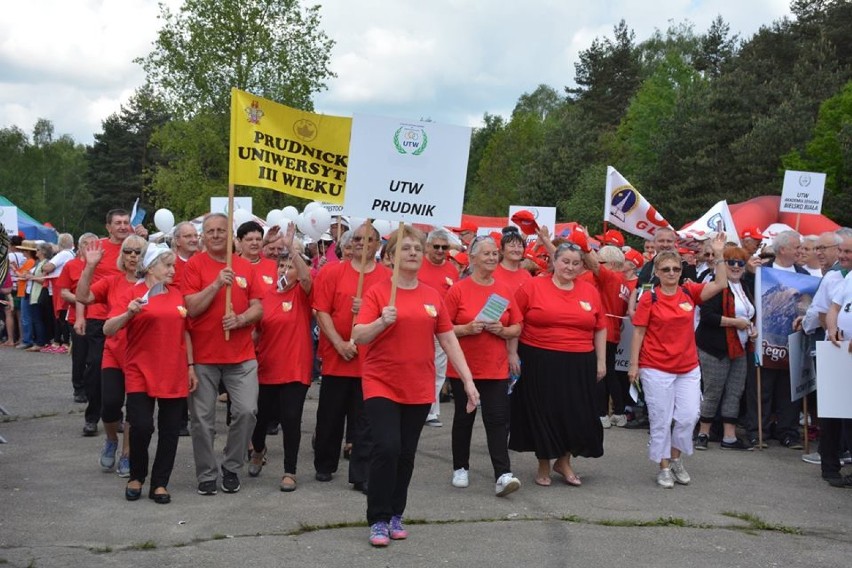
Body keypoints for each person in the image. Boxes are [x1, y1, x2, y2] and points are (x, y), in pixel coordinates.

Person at [352, 225, 480, 547]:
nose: (413, 253)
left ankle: (397, 513)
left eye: (417, 249)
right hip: (381, 382)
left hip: (419, 386)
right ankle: (378, 518)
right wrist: (382, 320)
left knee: (406, 454)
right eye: (405, 248)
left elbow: (448, 337)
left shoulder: (431, 295)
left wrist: (467, 379)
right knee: (387, 447)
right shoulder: (378, 293)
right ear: (390, 257)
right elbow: (358, 335)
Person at [627, 233, 728, 488]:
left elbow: (720, 284)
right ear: (657, 272)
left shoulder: (689, 291)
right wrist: (633, 365)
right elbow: (638, 331)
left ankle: (676, 459)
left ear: (682, 270)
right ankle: (663, 466)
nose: (671, 272)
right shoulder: (649, 298)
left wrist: (719, 254)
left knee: (688, 416)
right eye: (666, 269)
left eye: (675, 268)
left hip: (687, 367)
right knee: (661, 418)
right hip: (655, 366)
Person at [508, 242, 607, 487]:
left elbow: (600, 326)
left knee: (576, 414)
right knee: (543, 413)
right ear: (554, 261)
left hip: (580, 361)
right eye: (565, 261)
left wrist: (601, 361)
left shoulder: (589, 291)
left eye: (576, 263)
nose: (570, 267)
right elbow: (514, 320)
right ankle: (543, 463)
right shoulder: (532, 286)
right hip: (538, 359)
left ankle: (563, 461)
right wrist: (511, 354)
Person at [104, 245, 197, 503]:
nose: (172, 270)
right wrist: (128, 313)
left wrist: (190, 366)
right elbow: (108, 328)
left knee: (169, 430)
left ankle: (160, 483)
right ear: (151, 266)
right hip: (140, 370)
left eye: (173, 266)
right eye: (167, 266)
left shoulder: (178, 295)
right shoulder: (133, 294)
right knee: (142, 426)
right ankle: (137, 475)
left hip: (173, 370)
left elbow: (185, 332)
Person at [183, 212, 263, 496]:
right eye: (210, 231)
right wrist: (217, 284)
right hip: (204, 356)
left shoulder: (246, 266)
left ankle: (231, 465)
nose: (215, 235)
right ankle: (206, 473)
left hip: (241, 356)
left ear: (230, 234)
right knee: (201, 420)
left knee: (246, 411)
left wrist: (241, 320)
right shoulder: (193, 266)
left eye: (221, 230)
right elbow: (190, 308)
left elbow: (258, 307)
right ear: (203, 236)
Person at [312, 221, 391, 489]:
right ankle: (324, 464)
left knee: (365, 422)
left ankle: (362, 473)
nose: (360, 243)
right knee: (330, 417)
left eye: (367, 239)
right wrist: (339, 344)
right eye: (356, 238)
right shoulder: (332, 273)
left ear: (377, 245)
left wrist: (370, 308)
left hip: (370, 363)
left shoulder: (386, 279)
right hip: (337, 358)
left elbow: (391, 317)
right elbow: (321, 311)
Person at [443, 236, 522, 496]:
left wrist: (503, 330)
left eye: (493, 254)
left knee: (498, 420)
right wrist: (465, 329)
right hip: (465, 366)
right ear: (472, 258)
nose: (491, 257)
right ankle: (460, 467)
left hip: (495, 366)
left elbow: (518, 326)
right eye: (485, 254)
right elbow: (442, 328)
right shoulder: (458, 289)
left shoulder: (504, 289)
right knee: (464, 418)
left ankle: (503, 473)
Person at [77, 234, 149, 476]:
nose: (132, 256)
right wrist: (90, 266)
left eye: (138, 252)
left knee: (134, 409)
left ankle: (127, 454)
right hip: (114, 353)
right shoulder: (112, 281)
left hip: (141, 357)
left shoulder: (152, 285)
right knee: (110, 406)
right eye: (128, 251)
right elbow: (82, 297)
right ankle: (111, 440)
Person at [248, 225, 313, 492]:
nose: (285, 269)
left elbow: (308, 279)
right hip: (267, 367)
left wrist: (291, 248)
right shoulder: (265, 296)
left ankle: (290, 470)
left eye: (290, 265)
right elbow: (255, 332)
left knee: (290, 419)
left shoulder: (302, 293)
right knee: (260, 418)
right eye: (281, 265)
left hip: (296, 368)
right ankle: (258, 450)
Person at [745, 230, 810, 450]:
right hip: (765, 339)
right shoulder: (763, 270)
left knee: (788, 391)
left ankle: (788, 432)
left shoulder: (803, 273)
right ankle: (757, 431)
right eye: (797, 247)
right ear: (783, 249)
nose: (801, 251)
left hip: (792, 340)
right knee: (761, 388)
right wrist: (749, 273)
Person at [694, 246, 757, 451]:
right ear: (724, 265)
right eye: (731, 262)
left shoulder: (745, 286)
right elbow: (707, 316)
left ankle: (729, 436)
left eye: (740, 263)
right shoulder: (715, 285)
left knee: (735, 390)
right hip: (714, 347)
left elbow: (748, 314)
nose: (736, 267)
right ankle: (703, 433)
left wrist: (751, 328)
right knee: (713, 390)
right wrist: (734, 322)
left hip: (740, 346)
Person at [418, 229, 460, 428]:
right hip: (417, 324)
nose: (440, 251)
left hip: (441, 326)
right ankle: (415, 405)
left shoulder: (452, 269)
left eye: (445, 247)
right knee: (418, 366)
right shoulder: (417, 263)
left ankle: (430, 411)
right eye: (436, 247)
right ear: (427, 247)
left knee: (438, 370)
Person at [585, 245, 631, 427]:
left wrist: (585, 245)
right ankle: (618, 412)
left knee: (601, 373)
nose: (599, 265)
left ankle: (601, 413)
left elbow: (594, 266)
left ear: (611, 264)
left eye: (603, 262)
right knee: (611, 373)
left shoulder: (611, 277)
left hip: (603, 331)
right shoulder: (624, 282)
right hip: (613, 332)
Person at [57, 233, 97, 403]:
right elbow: (64, 292)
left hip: (99, 317)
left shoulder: (100, 266)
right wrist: (82, 298)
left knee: (95, 358)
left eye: (92, 244)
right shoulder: (71, 266)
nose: (89, 247)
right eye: (85, 244)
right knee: (80, 356)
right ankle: (79, 388)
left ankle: (93, 387)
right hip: (77, 318)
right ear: (79, 248)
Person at [493, 226, 532, 294]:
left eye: (520, 246)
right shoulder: (491, 273)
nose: (516, 250)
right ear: (502, 250)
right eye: (512, 246)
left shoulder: (526, 275)